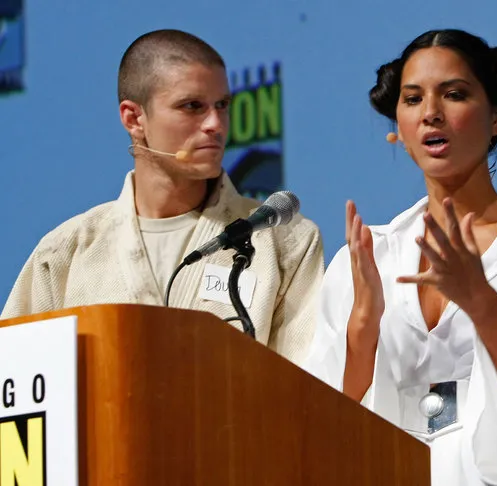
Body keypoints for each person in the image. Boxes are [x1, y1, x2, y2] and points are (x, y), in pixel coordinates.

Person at [305, 29, 497, 484]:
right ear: (399, 131)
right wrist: (363, 331)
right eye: (412, 100)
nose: (431, 114)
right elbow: (313, 425)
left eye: (453, 94)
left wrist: (484, 305)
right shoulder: (372, 254)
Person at [1, 29, 324, 365]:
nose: (215, 123)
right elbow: (15, 388)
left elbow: (309, 391)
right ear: (133, 118)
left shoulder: (285, 241)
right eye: (192, 106)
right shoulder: (66, 254)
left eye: (223, 105)